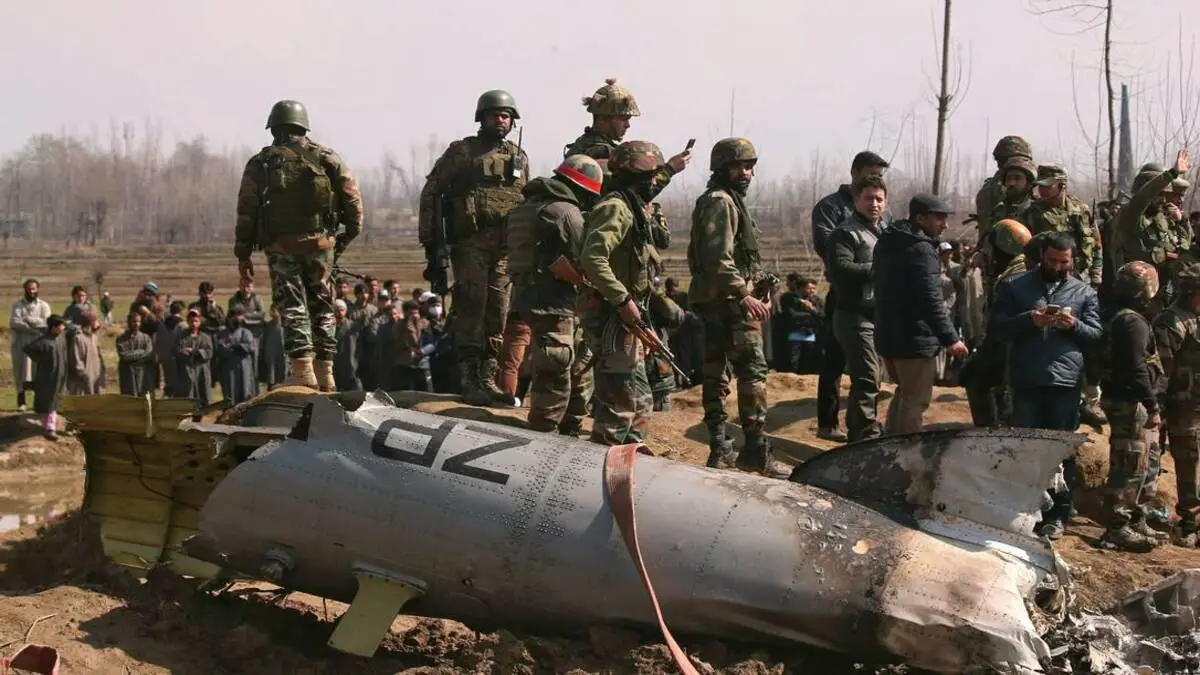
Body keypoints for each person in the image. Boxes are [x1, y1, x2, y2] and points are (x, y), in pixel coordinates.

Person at [234, 99, 364, 392]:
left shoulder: (261, 163)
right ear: (303, 125)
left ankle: (303, 371)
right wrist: (343, 238)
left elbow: (247, 210)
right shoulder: (327, 157)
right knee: (322, 302)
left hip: (281, 245)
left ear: (274, 127)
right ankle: (326, 371)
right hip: (320, 243)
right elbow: (353, 200)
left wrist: (243, 253)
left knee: (292, 304)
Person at [988, 232, 1103, 539]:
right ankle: (1025, 511)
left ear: (1072, 260)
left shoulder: (1084, 292)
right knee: (1026, 448)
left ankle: (1058, 514)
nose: (1057, 267)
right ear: (1042, 257)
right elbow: (996, 327)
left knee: (1061, 451)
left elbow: (1095, 335)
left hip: (1065, 384)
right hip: (1027, 379)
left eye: (1064, 262)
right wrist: (1029, 320)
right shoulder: (1016, 286)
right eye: (1052, 261)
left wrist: (1074, 325)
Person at [419, 89, 528, 405]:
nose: (501, 120)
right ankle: (469, 379)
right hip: (470, 246)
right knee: (471, 309)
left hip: (505, 251)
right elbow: (431, 194)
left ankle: (488, 379)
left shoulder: (519, 158)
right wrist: (431, 244)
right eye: (495, 114)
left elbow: (525, 204)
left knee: (498, 314)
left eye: (506, 115)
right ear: (482, 118)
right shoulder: (462, 152)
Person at [687, 137, 785, 475]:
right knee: (751, 373)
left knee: (716, 374)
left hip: (718, 300)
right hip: (729, 303)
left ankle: (722, 448)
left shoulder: (725, 201)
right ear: (721, 168)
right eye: (737, 166)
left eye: (749, 166)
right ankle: (753, 450)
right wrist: (744, 293)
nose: (745, 173)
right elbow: (717, 257)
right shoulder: (721, 202)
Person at [505, 154, 603, 433]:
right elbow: (582, 257)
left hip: (527, 297)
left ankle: (566, 425)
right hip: (554, 301)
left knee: (557, 364)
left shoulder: (525, 208)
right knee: (555, 370)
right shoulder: (563, 211)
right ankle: (546, 432)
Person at [578, 141, 667, 446]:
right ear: (637, 175)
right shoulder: (616, 207)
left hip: (627, 317)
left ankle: (631, 460)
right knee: (618, 407)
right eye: (653, 176)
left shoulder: (634, 206)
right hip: (611, 317)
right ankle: (599, 471)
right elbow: (593, 258)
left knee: (640, 402)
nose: (656, 182)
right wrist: (623, 300)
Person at [811, 151, 892, 441]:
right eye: (871, 173)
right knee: (834, 362)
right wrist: (878, 266)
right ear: (855, 172)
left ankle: (864, 423)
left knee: (870, 370)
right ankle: (830, 423)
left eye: (881, 177)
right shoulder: (830, 208)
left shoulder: (882, 215)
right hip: (846, 297)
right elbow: (830, 251)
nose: (877, 181)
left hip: (874, 304)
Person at [873, 194, 968, 435]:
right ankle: (907, 456)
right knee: (915, 401)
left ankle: (889, 448)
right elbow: (931, 300)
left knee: (904, 394)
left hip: (888, 335)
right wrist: (951, 339)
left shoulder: (889, 241)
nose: (944, 225)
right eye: (939, 218)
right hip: (914, 339)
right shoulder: (922, 249)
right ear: (920, 217)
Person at [1099, 261, 1166, 552]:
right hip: (1131, 402)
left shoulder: (1119, 316)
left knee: (1145, 462)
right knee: (1129, 464)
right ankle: (1117, 527)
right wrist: (1151, 405)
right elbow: (1137, 367)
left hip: (1128, 399)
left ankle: (1135, 517)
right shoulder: (1132, 322)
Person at [1152, 263, 1200, 547]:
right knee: (1188, 461)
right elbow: (1161, 370)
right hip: (1182, 407)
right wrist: (1157, 408)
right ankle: (1189, 523)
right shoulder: (1172, 321)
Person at [10, 278, 52, 411]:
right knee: (20, 372)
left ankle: (37, 403)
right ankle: (21, 402)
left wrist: (28, 319)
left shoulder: (44, 305)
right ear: (25, 290)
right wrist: (33, 328)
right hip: (21, 345)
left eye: (33, 288)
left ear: (38, 289)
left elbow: (46, 323)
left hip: (38, 344)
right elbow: (15, 322)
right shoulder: (18, 305)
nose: (31, 291)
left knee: (37, 372)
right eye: (29, 289)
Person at [23, 315, 68, 440]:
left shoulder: (61, 338)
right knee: (50, 402)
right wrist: (41, 360)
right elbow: (28, 349)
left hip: (60, 374)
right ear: (54, 327)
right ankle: (50, 429)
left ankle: (48, 424)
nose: (63, 328)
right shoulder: (44, 341)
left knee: (55, 401)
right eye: (61, 326)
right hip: (48, 376)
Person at [215, 308, 258, 405]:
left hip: (244, 368)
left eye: (241, 317)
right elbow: (221, 349)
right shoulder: (222, 333)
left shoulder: (246, 332)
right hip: (228, 369)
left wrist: (235, 346)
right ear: (230, 318)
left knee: (245, 394)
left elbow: (250, 347)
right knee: (230, 396)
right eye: (237, 317)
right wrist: (238, 348)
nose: (239, 319)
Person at [176, 309, 215, 407]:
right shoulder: (181, 336)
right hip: (186, 372)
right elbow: (175, 350)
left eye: (196, 321)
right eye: (191, 321)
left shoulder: (205, 337)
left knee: (202, 399)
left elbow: (209, 352)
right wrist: (183, 352)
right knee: (187, 399)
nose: (193, 323)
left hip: (201, 370)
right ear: (188, 321)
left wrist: (195, 352)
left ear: (200, 322)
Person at [116, 312, 156, 397]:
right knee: (129, 400)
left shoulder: (146, 338)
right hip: (128, 374)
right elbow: (124, 356)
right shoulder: (121, 339)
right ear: (129, 322)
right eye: (134, 321)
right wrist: (141, 352)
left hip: (143, 374)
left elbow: (148, 354)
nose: (136, 324)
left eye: (138, 321)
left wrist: (133, 354)